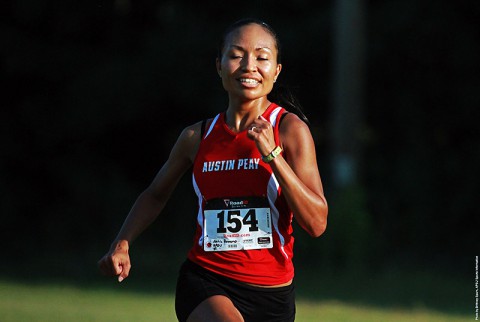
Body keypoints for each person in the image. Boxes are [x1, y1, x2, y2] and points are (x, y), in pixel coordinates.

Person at [98, 18, 328, 322]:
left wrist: (273, 154)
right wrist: (122, 242)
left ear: (276, 70)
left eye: (261, 57)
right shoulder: (196, 137)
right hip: (207, 280)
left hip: (273, 295)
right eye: (236, 55)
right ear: (219, 65)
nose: (249, 66)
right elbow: (155, 194)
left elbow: (316, 223)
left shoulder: (289, 130)